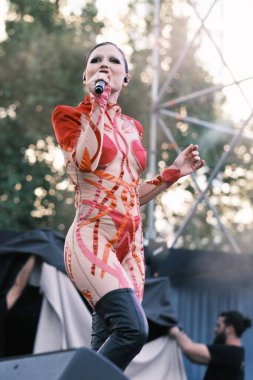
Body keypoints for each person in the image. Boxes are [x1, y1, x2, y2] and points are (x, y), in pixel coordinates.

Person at [51, 41, 205, 371]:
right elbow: (86, 159)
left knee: (108, 344)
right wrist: (97, 101)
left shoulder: (132, 127)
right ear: (86, 76)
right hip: (91, 237)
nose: (104, 65)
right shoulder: (69, 116)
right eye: (96, 60)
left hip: (131, 248)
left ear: (126, 78)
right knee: (133, 330)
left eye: (113, 61)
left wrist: (173, 173)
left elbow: (131, 193)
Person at [169, 310, 252, 380]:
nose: (214, 330)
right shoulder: (236, 354)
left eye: (218, 326)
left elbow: (188, 348)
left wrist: (174, 331)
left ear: (229, 329)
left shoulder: (229, 353)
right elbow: (193, 357)